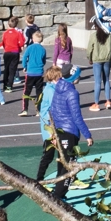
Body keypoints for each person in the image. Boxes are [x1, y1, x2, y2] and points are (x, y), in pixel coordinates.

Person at [37, 64, 93, 201]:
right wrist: (87, 135)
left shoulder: (58, 89)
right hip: (69, 131)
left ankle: (57, 193)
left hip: (60, 131)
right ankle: (57, 197)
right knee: (68, 167)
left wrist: (55, 132)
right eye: (78, 75)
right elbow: (76, 116)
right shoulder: (71, 93)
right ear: (73, 77)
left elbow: (54, 111)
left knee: (61, 164)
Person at [18, 30, 48, 116]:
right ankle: (39, 110)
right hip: (39, 73)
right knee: (39, 92)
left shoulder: (30, 48)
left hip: (30, 72)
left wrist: (24, 66)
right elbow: (44, 60)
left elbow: (24, 58)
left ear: (32, 39)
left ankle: (25, 109)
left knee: (26, 92)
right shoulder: (43, 49)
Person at [87, 25, 111, 109]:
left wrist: (89, 58)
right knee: (106, 79)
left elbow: (89, 49)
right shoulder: (109, 35)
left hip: (97, 59)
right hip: (107, 59)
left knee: (97, 82)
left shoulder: (93, 36)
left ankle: (96, 103)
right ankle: (108, 101)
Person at [0, 17, 26, 91]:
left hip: (7, 52)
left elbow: (3, 42)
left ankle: (5, 85)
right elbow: (21, 42)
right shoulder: (18, 33)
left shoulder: (5, 33)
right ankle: (9, 86)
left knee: (6, 69)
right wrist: (20, 48)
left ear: (8, 24)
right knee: (12, 70)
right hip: (15, 52)